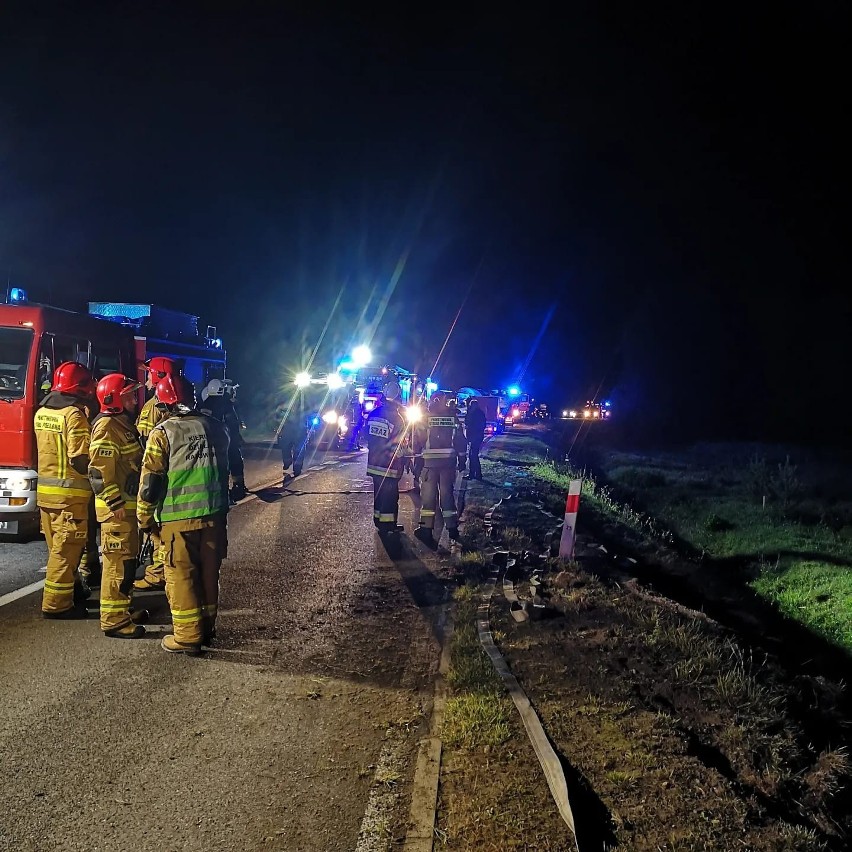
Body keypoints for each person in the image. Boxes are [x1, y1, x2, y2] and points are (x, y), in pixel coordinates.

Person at [137, 374, 230, 655]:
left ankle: (188, 636)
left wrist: (144, 518)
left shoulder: (163, 434)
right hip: (214, 516)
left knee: (181, 576)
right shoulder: (217, 428)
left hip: (179, 520)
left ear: (164, 404)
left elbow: (151, 482)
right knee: (208, 574)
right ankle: (207, 627)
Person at [34, 361, 97, 618]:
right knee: (65, 551)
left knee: (58, 547)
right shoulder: (74, 415)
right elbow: (79, 458)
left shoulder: (42, 412)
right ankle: (56, 605)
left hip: (45, 495)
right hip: (70, 496)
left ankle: (72, 590)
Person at [88, 373, 146, 639]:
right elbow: (99, 472)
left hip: (126, 507)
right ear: (115, 399)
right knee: (117, 565)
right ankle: (114, 620)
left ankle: (123, 609)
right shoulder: (107, 427)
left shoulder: (122, 424)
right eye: (129, 395)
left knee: (127, 563)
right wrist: (114, 501)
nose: (135, 399)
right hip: (117, 509)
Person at [133, 356, 178, 591]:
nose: (147, 376)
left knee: (156, 527)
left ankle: (158, 573)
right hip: (172, 472)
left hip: (155, 470)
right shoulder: (174, 401)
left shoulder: (153, 406)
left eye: (150, 372)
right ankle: (160, 570)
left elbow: (145, 443)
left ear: (159, 376)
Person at [414, 394, 467, 546]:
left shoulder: (425, 418)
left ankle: (426, 530)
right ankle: (452, 529)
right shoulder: (453, 418)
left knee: (428, 498)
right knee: (447, 496)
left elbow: (418, 440)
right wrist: (462, 459)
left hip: (429, 464)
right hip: (448, 464)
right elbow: (460, 441)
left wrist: (416, 460)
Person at [366, 381, 407, 535]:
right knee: (390, 497)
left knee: (378, 493)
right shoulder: (397, 419)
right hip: (389, 466)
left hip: (374, 463)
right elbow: (399, 446)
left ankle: (378, 520)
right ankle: (388, 525)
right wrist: (405, 456)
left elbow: (367, 435)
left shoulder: (374, 413)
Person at [200, 378, 246, 501]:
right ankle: (238, 487)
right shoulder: (227, 402)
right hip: (228, 437)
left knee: (219, 463)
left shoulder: (207, 402)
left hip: (216, 438)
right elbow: (233, 421)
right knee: (234, 460)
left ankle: (227, 488)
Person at [464, 398, 487, 481]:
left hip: (475, 437)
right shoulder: (478, 413)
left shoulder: (475, 414)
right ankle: (476, 474)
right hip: (476, 436)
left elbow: (468, 423)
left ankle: (474, 474)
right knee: (473, 456)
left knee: (473, 456)